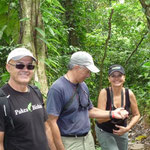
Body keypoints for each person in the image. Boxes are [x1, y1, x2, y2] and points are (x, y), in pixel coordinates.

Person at [46, 51, 129, 150]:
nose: (88, 75)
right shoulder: (58, 88)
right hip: (69, 142)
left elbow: (89, 110)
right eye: (87, 71)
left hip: (87, 140)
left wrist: (112, 114)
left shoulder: (83, 86)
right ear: (77, 67)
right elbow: (51, 122)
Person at [0, 48, 56, 150]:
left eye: (30, 66)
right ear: (8, 67)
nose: (25, 70)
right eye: (20, 65)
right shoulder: (2, 99)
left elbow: (46, 127)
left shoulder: (35, 91)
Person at [95, 64, 140, 150]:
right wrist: (115, 114)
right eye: (113, 76)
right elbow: (99, 118)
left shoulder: (129, 94)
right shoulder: (104, 93)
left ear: (124, 77)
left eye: (119, 75)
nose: (116, 78)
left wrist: (127, 128)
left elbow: (136, 114)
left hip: (122, 131)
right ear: (109, 79)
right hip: (104, 130)